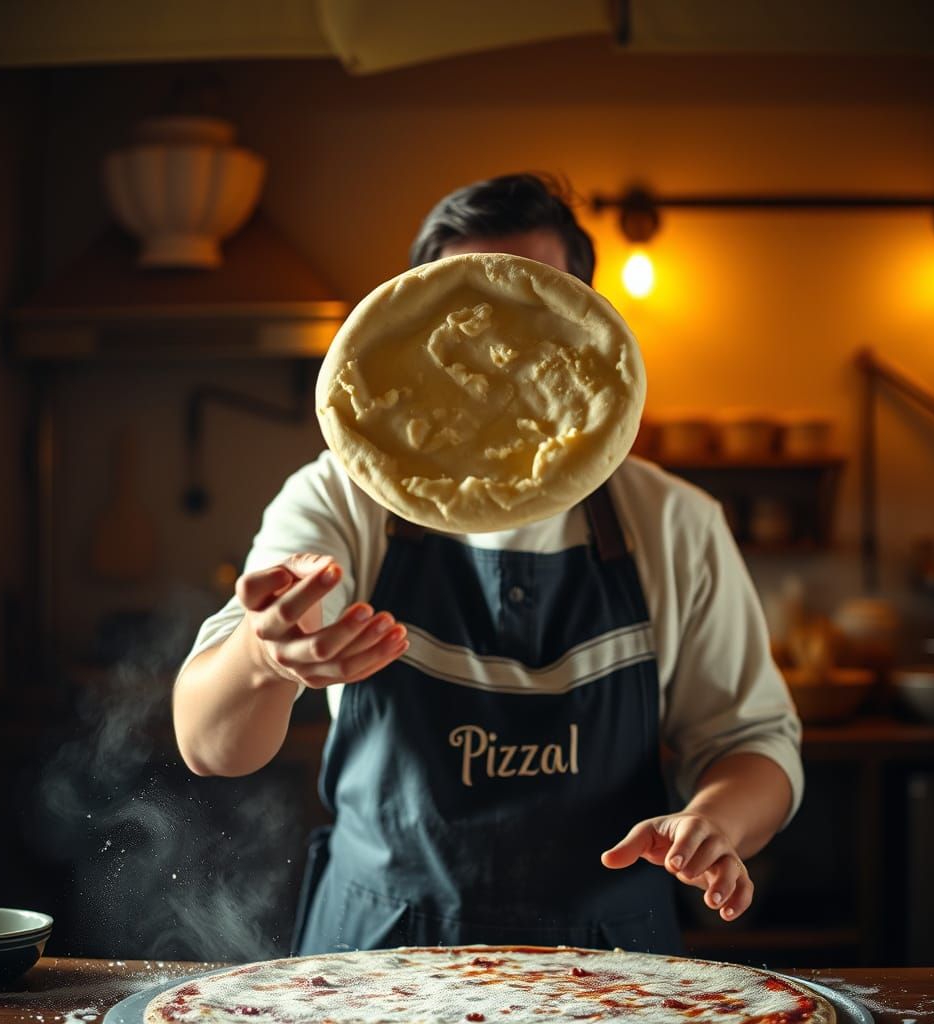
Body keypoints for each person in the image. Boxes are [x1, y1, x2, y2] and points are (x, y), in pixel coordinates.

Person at [173, 172, 803, 956]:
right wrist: (265, 657)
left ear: (587, 328)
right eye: (469, 322)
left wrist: (714, 822)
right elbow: (210, 744)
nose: (501, 360)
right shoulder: (342, 499)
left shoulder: (675, 523)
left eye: (532, 313)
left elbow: (753, 742)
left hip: (610, 966)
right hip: (376, 961)